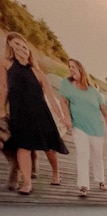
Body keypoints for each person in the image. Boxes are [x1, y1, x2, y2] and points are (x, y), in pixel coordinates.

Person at [0, 32, 69, 195]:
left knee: (49, 148)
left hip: (41, 114)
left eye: (24, 46)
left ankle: (56, 173)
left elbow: (52, 99)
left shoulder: (38, 73)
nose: (20, 48)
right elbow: (3, 87)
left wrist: (62, 117)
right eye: (16, 44)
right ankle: (27, 183)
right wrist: (2, 108)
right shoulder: (6, 64)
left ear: (29, 51)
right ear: (10, 46)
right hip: (20, 114)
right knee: (23, 147)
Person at [59, 58, 107, 197]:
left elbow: (105, 113)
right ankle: (83, 185)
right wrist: (67, 118)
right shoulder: (67, 84)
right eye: (69, 67)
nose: (71, 69)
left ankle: (101, 181)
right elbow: (63, 101)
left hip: (96, 129)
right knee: (83, 155)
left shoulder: (94, 92)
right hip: (79, 127)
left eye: (74, 67)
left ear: (81, 70)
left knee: (98, 157)